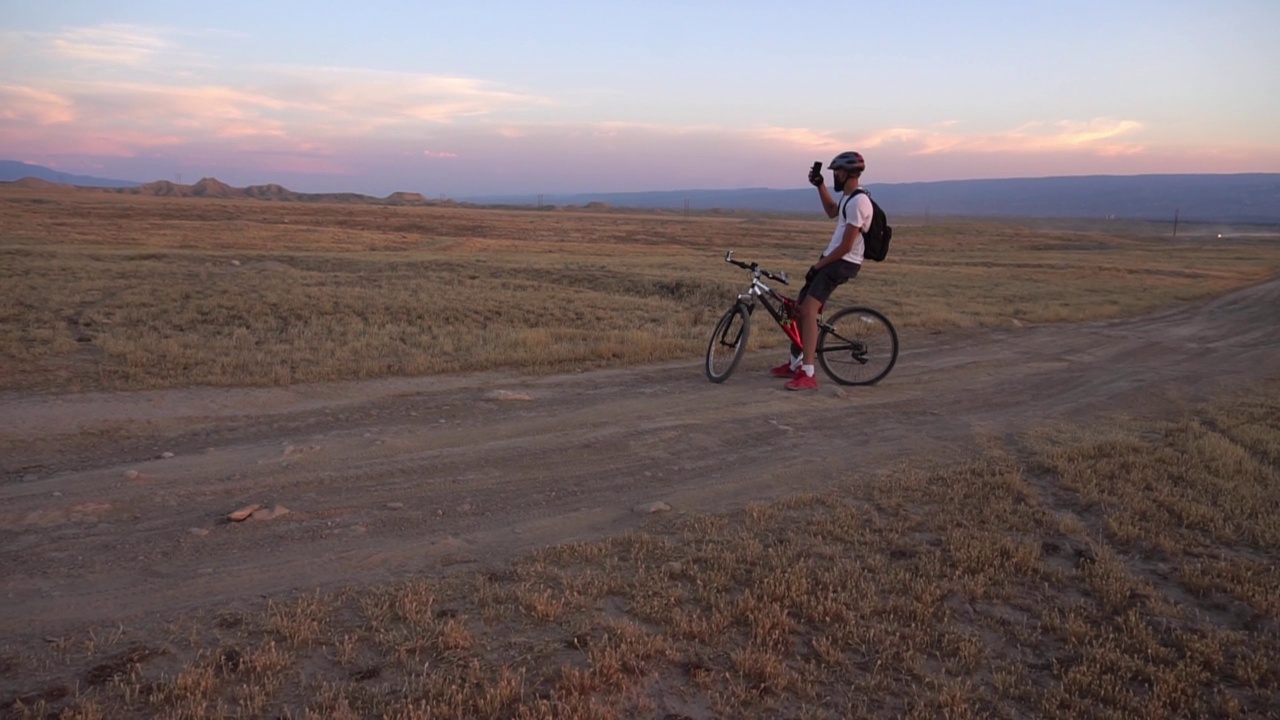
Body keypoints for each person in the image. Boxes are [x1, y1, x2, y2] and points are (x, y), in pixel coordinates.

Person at [770, 151, 872, 390]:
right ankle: (795, 363)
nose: (835, 176)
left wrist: (819, 265)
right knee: (797, 309)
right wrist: (820, 185)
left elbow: (847, 246)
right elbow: (831, 211)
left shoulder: (859, 202)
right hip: (832, 260)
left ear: (847, 173)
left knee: (808, 311)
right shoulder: (850, 198)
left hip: (842, 262)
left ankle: (808, 374)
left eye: (836, 172)